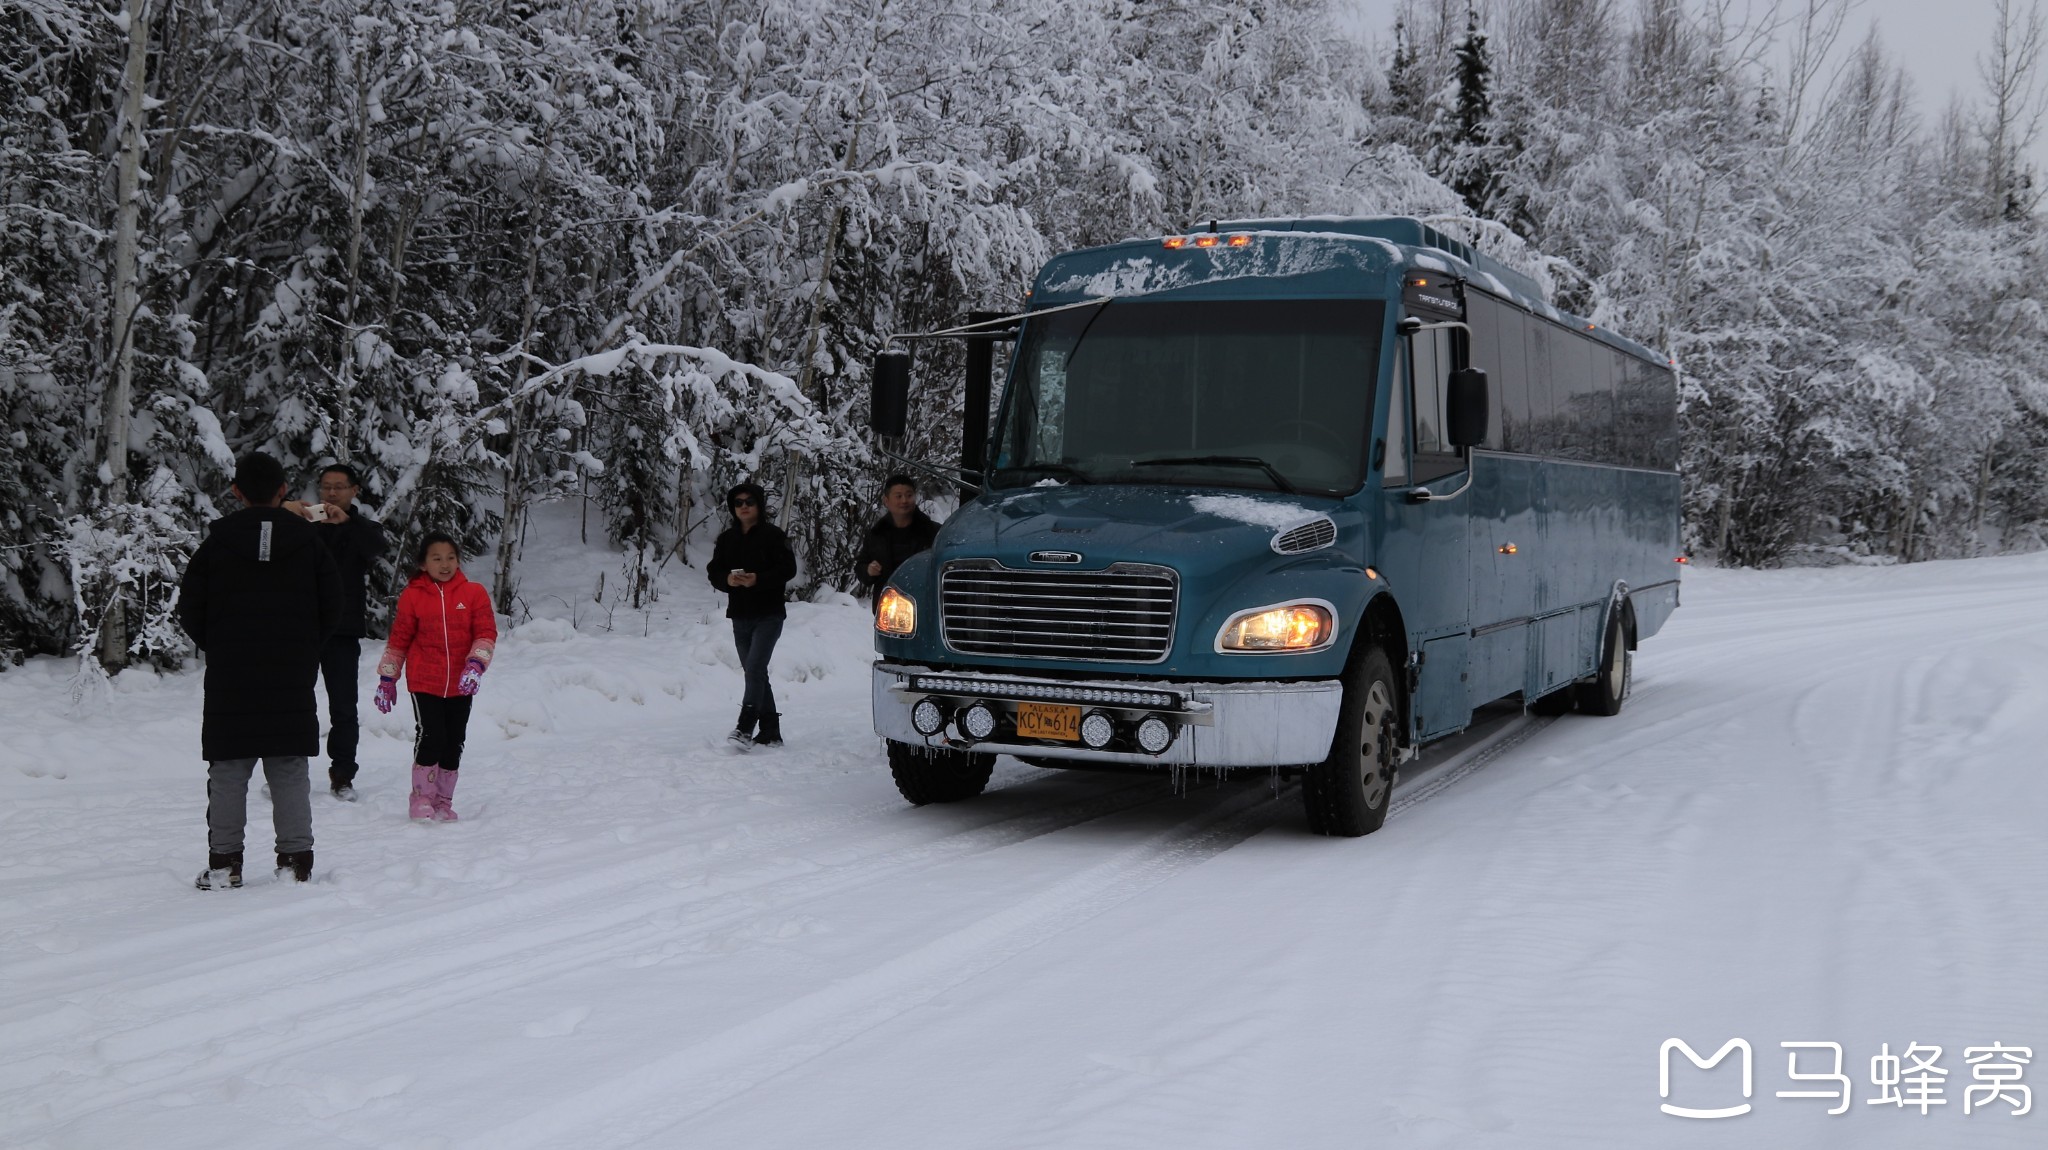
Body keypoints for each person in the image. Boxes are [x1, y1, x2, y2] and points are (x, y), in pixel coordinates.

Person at [179, 451, 341, 889]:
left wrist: (221, 646)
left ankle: (224, 865)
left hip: (233, 673)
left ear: (236, 492)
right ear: (284, 490)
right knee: (288, 765)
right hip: (291, 671)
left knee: (229, 767)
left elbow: (189, 607)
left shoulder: (216, 544)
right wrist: (306, 648)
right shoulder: (309, 542)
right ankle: (295, 863)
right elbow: (334, 605)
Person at [373, 533, 497, 822]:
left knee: (454, 740)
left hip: (460, 682)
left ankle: (443, 800)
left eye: (450, 558)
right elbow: (400, 640)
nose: (445, 564)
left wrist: (476, 664)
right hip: (424, 681)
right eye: (436, 558)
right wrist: (387, 679)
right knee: (431, 736)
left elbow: (486, 632)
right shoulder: (413, 596)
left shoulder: (474, 593)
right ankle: (421, 799)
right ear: (423, 564)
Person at [284, 463, 387, 801]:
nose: (331, 493)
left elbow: (375, 548)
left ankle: (342, 774)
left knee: (344, 707)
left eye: (339, 487)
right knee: (295, 703)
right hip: (301, 627)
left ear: (354, 490)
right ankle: (288, 772)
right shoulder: (303, 525)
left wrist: (349, 522)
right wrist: (287, 509)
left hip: (342, 630)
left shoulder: (363, 528)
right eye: (326, 486)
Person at [706, 482, 796, 748]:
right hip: (739, 616)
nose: (744, 507)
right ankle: (770, 731)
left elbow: (787, 570)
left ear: (759, 505)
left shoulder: (774, 536)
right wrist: (728, 581)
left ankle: (744, 728)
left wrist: (758, 579)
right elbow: (714, 571)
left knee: (754, 669)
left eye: (749, 502)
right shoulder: (726, 539)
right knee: (755, 672)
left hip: (769, 615)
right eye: (738, 503)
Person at [853, 474, 941, 609]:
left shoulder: (933, 532)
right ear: (886, 501)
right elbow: (861, 567)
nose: (904, 500)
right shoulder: (876, 534)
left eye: (909, 495)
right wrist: (869, 571)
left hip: (925, 606)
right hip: (888, 610)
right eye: (898, 496)